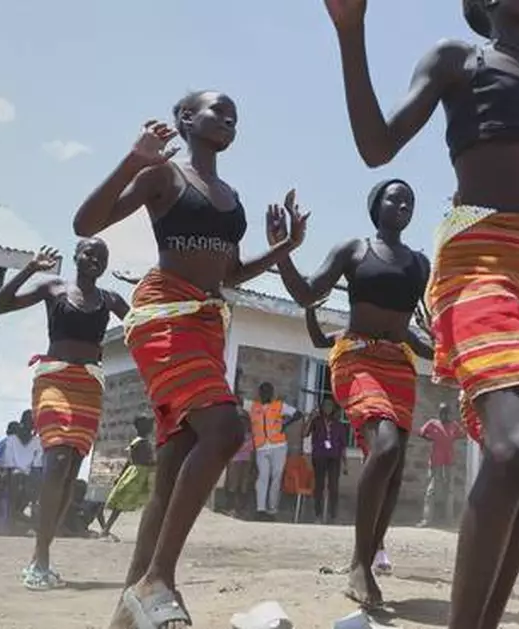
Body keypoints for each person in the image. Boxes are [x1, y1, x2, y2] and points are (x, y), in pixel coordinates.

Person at [322, 0, 519, 622]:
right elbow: (376, 145)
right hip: (479, 265)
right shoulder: (459, 60)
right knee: (517, 445)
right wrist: (351, 30)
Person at [73, 89, 307, 628]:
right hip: (164, 315)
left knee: (177, 461)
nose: (228, 120)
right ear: (184, 119)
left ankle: (127, 612)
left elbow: (230, 274)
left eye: (234, 116)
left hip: (205, 322)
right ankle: (158, 578)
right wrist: (133, 159)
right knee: (225, 429)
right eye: (216, 111)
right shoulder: (164, 175)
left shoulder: (231, 196)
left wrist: (284, 249)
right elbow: (86, 223)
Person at [270, 177, 433, 607]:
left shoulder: (420, 264)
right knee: (384, 446)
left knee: (394, 466)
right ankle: (359, 565)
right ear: (376, 205)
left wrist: (449, 351)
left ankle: (369, 555)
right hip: (357, 357)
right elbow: (306, 292)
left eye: (410, 200)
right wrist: (282, 249)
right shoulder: (354, 249)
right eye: (395, 197)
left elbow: (414, 329)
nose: (404, 204)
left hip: (399, 365)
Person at [0, 239, 129, 590]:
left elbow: (142, 326)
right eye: (89, 253)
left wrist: (144, 289)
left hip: (88, 386)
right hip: (54, 380)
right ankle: (40, 559)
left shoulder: (110, 299)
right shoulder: (53, 288)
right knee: (58, 459)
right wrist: (29, 269)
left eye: (101, 257)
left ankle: (42, 554)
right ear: (76, 256)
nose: (94, 259)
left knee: (69, 473)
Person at [243, 382, 300, 522]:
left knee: (276, 477)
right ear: (259, 393)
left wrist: (285, 424)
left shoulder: (279, 406)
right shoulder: (252, 406)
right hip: (261, 447)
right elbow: (238, 401)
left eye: (268, 391)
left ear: (272, 393)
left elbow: (298, 414)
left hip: (278, 445)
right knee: (262, 477)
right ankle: (260, 509)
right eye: (263, 391)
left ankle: (272, 509)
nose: (266, 394)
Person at [101, 416, 157, 540]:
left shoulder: (137, 441)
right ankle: (106, 530)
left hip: (134, 473)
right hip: (140, 475)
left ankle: (106, 529)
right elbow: (145, 461)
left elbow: (129, 461)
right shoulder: (143, 443)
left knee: (123, 503)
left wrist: (120, 475)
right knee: (143, 502)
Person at [416, 403, 464, 528]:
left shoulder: (454, 425)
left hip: (450, 461)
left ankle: (449, 520)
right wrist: (430, 438)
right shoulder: (432, 423)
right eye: (442, 412)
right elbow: (421, 432)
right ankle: (427, 519)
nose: (445, 415)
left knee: (450, 490)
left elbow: (461, 434)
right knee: (431, 490)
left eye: (447, 413)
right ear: (439, 413)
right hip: (435, 460)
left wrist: (451, 439)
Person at [307, 397, 348, 524]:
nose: (327, 408)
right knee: (319, 486)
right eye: (325, 405)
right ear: (321, 407)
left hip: (334, 458)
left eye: (330, 405)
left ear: (334, 408)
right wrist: (310, 418)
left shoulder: (339, 425)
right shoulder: (316, 421)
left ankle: (333, 515)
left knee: (333, 487)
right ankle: (318, 515)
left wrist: (345, 464)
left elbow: (343, 447)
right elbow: (304, 433)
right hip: (319, 457)